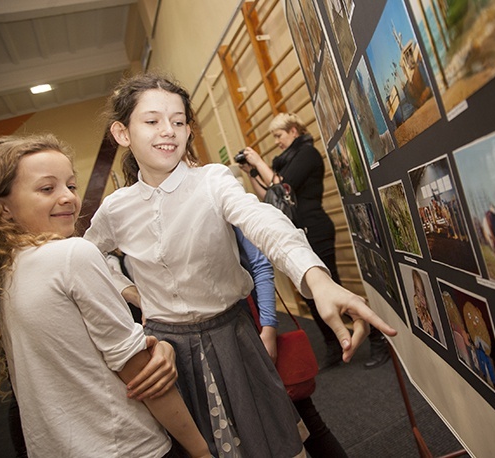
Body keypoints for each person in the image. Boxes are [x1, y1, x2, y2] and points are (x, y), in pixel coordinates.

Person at [83, 73, 396, 458]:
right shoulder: (116, 208)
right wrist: (129, 291)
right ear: (122, 133)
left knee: (273, 441)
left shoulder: (212, 180)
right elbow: (89, 257)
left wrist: (316, 278)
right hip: (167, 352)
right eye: (152, 121)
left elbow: (262, 221)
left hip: (232, 335)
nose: (169, 131)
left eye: (178, 121)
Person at [0, 134, 210, 458]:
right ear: (3, 207)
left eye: (71, 186)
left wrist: (157, 345)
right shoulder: (71, 254)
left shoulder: (6, 269)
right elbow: (143, 376)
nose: (67, 198)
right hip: (125, 447)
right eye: (47, 188)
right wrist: (200, 450)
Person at [238, 112, 391, 369]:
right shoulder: (283, 162)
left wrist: (259, 161)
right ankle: (333, 345)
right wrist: (252, 172)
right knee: (310, 296)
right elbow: (270, 197)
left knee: (334, 288)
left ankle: (378, 339)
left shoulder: (307, 154)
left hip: (315, 228)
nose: (276, 141)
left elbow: (283, 188)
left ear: (294, 131)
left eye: (279, 135)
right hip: (295, 234)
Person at [235, 227, 348, 457]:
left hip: (252, 330)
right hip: (221, 343)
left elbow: (260, 263)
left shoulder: (216, 194)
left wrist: (267, 329)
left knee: (305, 417)